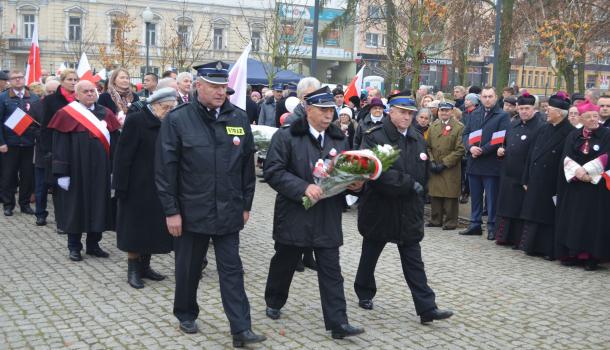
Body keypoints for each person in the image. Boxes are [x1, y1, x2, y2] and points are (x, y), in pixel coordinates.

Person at [155, 61, 265, 347]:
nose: (220, 92)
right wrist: (171, 211)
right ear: (197, 86)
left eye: (223, 88)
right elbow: (166, 170)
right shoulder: (178, 119)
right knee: (189, 267)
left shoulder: (238, 119)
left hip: (228, 208)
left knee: (232, 270)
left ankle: (241, 329)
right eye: (214, 87)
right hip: (192, 209)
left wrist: (246, 205)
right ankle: (186, 312)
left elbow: (246, 168)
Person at [263, 85, 364, 339]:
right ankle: (274, 300)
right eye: (322, 110)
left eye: (331, 109)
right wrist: (303, 187)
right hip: (294, 214)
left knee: (331, 269)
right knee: (285, 261)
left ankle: (338, 322)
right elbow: (273, 172)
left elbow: (347, 171)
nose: (329, 114)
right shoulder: (286, 136)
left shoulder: (339, 138)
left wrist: (356, 184)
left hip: (327, 215)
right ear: (308, 110)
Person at [354, 91, 453, 324]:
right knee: (371, 253)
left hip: (408, 210)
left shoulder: (417, 137)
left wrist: (421, 192)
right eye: (402, 113)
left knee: (413, 260)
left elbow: (423, 169)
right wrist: (409, 184)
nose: (407, 117)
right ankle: (364, 291)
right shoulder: (375, 136)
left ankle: (427, 307)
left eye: (410, 113)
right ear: (391, 112)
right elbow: (377, 173)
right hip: (380, 207)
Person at [47, 80, 121, 261]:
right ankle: (74, 246)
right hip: (75, 170)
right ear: (77, 94)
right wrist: (61, 172)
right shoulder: (66, 114)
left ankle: (94, 244)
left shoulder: (105, 113)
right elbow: (60, 147)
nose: (90, 94)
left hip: (101, 171)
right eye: (85, 91)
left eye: (92, 90)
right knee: (75, 207)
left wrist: (114, 170)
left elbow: (116, 145)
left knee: (99, 206)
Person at [113, 88, 176, 289]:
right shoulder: (136, 121)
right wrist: (120, 186)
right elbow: (123, 157)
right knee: (135, 229)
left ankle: (145, 267)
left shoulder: (169, 123)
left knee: (152, 228)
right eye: (166, 107)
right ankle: (133, 270)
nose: (168, 111)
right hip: (136, 185)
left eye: (171, 108)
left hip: (158, 185)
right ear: (155, 105)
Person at [555, 101, 610, 270]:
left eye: (595, 116)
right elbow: (566, 157)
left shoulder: (606, 135)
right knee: (574, 220)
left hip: (596, 187)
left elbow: (607, 156)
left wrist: (588, 172)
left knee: (593, 222)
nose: (594, 119)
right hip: (576, 186)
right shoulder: (574, 135)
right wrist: (578, 172)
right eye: (589, 117)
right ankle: (574, 253)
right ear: (581, 118)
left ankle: (591, 256)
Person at [519, 92, 574, 259]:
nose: (546, 112)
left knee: (547, 217)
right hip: (535, 179)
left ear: (559, 112)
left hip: (552, 182)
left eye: (549, 110)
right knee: (534, 214)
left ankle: (547, 250)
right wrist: (526, 178)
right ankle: (532, 246)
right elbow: (531, 155)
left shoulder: (569, 133)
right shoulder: (543, 128)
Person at [459, 86, 510, 240]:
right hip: (474, 162)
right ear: (480, 98)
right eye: (485, 96)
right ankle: (475, 224)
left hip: (491, 162)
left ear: (496, 97)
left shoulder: (502, 116)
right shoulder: (474, 113)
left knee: (491, 197)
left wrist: (483, 150)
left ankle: (492, 226)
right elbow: (466, 133)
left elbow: (499, 138)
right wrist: (470, 147)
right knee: (475, 196)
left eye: (490, 96)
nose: (487, 99)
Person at [494, 92, 544, 247]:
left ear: (533, 109)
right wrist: (500, 152)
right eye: (521, 108)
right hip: (508, 173)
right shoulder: (513, 123)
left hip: (524, 174)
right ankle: (504, 237)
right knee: (507, 206)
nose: (523, 111)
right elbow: (505, 143)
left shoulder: (540, 126)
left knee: (519, 208)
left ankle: (518, 240)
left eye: (527, 108)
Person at [30, 69, 79, 226]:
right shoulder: (51, 101)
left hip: (73, 148)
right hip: (53, 148)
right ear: (62, 81)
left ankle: (67, 219)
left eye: (75, 79)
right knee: (49, 185)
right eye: (69, 79)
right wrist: (48, 150)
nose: (73, 82)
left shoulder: (79, 99)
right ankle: (48, 216)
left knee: (66, 187)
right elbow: (45, 127)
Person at [0, 70, 40, 216]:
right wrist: (1, 142)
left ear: (24, 79)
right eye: (14, 78)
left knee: (27, 175)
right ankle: (8, 204)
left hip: (29, 143)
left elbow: (38, 121)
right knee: (8, 175)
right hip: (10, 144)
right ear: (9, 81)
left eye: (20, 77)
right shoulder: (3, 98)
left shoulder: (34, 98)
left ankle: (24, 204)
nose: (18, 80)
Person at [426, 102, 465, 230]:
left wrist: (444, 163)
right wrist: (431, 161)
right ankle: (435, 219)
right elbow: (427, 146)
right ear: (438, 112)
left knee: (450, 194)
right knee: (435, 193)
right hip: (435, 164)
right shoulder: (433, 126)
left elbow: (460, 149)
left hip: (450, 166)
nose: (444, 113)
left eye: (447, 111)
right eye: (442, 110)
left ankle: (450, 221)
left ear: (452, 112)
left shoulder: (459, 127)